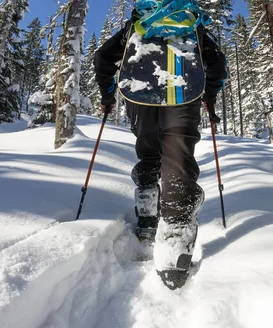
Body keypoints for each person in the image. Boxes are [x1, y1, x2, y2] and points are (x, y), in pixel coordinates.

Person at [94, 2, 227, 290]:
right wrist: (210, 94)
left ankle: (147, 207)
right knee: (177, 156)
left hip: (139, 98)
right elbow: (217, 64)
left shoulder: (138, 22)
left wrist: (108, 95)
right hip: (183, 96)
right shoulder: (192, 22)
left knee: (148, 149)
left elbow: (103, 58)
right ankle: (175, 238)